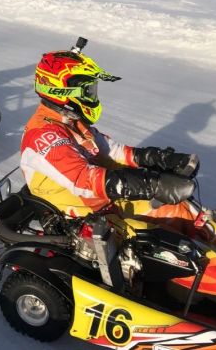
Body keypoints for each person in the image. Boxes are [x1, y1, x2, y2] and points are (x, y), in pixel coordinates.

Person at [21, 40, 202, 232]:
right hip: (80, 220)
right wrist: (153, 185)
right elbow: (84, 179)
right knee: (168, 245)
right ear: (61, 90)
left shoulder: (72, 121)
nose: (92, 96)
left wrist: (160, 159)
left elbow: (113, 152)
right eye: (87, 91)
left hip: (104, 206)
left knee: (182, 211)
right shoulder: (43, 135)